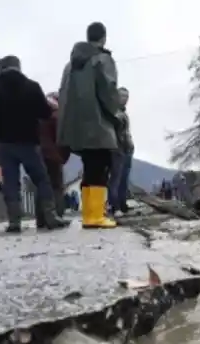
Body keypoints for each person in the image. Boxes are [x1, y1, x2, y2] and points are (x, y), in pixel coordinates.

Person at [0, 55, 67, 233]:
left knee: (11, 183)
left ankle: (14, 222)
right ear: (19, 67)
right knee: (42, 180)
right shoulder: (32, 86)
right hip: (29, 143)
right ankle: (51, 217)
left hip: (5, 144)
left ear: (2, 68)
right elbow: (44, 113)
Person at [57, 21, 121, 229]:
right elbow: (109, 92)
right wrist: (116, 114)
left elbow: (63, 95)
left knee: (89, 168)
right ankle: (95, 216)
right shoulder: (102, 59)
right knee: (100, 168)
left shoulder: (70, 65)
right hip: (98, 124)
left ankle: (89, 215)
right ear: (103, 38)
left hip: (76, 127)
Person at [39, 92, 71, 218]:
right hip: (54, 155)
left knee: (42, 185)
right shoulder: (57, 116)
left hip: (39, 155)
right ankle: (57, 215)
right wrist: (64, 156)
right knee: (56, 186)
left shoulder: (39, 116)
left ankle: (41, 218)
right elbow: (63, 139)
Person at [108, 86, 134, 216]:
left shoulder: (123, 113)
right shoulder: (115, 113)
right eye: (122, 96)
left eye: (127, 97)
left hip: (125, 149)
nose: (125, 99)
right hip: (117, 148)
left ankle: (122, 204)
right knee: (116, 178)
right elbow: (119, 131)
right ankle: (115, 206)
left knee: (123, 178)